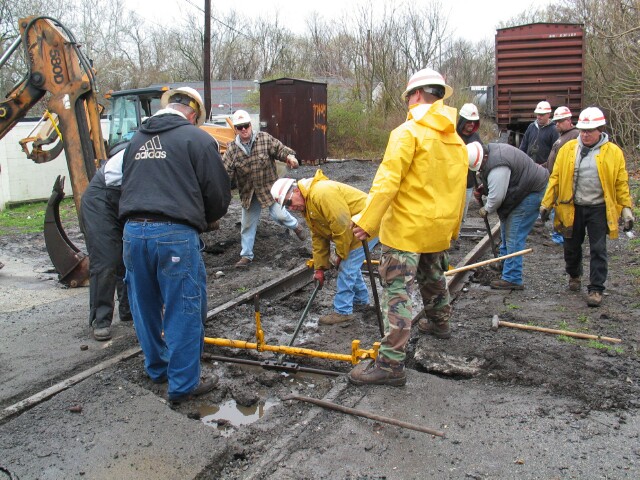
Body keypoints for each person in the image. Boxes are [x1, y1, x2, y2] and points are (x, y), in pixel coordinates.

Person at [347, 68, 468, 387]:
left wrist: (367, 221)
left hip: (406, 229)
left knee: (397, 292)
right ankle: (440, 323)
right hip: (436, 228)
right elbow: (459, 192)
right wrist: (452, 230)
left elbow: (387, 181)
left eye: (408, 96)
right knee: (433, 277)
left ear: (415, 95)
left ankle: (390, 364)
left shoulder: (407, 132)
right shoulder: (456, 141)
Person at [119, 86, 231, 403]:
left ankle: (157, 368)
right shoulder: (197, 139)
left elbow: (127, 183)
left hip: (132, 232)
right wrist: (204, 218)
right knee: (184, 309)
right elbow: (218, 194)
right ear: (193, 114)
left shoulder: (135, 141)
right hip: (174, 234)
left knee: (144, 307)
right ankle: (182, 385)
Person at [540, 107, 634, 307]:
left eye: (590, 131)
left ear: (600, 130)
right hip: (572, 206)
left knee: (598, 249)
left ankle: (596, 288)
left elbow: (621, 183)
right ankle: (574, 275)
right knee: (571, 247)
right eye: (583, 130)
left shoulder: (614, 153)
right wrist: (546, 203)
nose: (585, 134)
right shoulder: (568, 149)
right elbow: (555, 178)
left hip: (598, 208)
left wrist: (626, 209)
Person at [271, 171, 379, 325]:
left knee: (346, 266)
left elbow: (341, 225)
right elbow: (318, 236)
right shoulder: (307, 204)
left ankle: (343, 311)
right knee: (349, 266)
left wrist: (340, 254)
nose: (291, 208)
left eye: (289, 202)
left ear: (295, 190)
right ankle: (361, 301)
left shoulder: (321, 193)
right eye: (286, 206)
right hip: (354, 228)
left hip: (366, 225)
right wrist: (319, 268)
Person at [222, 110, 306, 268]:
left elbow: (280, 149)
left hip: (270, 187)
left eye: (246, 125)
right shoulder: (232, 150)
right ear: (235, 129)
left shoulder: (264, 139)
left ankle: (296, 226)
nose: (243, 129)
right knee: (247, 225)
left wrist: (289, 157)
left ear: (250, 125)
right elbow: (225, 172)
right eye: (239, 127)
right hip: (249, 193)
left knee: (279, 215)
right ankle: (246, 256)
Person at [471, 141, 549, 290]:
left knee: (514, 233)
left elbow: (497, 197)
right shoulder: (490, 154)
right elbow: (502, 182)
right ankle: (505, 263)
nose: (479, 170)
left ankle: (512, 277)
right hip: (521, 190)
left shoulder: (498, 165)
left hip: (530, 193)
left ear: (483, 158)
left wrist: (486, 209)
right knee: (506, 229)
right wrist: (485, 188)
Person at [81, 143, 132, 341]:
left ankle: (128, 310)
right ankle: (101, 319)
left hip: (126, 198)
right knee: (106, 259)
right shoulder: (144, 149)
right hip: (101, 199)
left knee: (130, 254)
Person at [544, 106, 580, 245]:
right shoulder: (563, 136)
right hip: (555, 177)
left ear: (569, 120)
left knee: (561, 208)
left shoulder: (574, 135)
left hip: (565, 180)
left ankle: (561, 237)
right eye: (556, 122)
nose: (557, 124)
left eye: (560, 121)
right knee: (556, 207)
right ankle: (559, 235)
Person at [456, 103, 483, 224]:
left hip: (468, 182)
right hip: (453, 183)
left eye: (474, 121)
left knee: (462, 215)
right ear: (462, 120)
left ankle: (459, 233)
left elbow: (481, 157)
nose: (471, 124)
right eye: (469, 121)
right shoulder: (453, 136)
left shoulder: (475, 137)